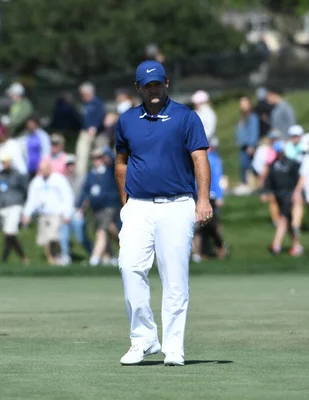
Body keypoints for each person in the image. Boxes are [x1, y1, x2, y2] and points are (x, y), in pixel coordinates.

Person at [115, 60, 212, 366]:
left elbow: (199, 158)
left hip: (177, 204)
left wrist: (203, 200)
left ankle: (174, 347)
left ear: (166, 82)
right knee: (129, 268)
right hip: (138, 207)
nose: (153, 89)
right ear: (138, 88)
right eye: (147, 85)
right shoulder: (127, 120)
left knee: (174, 279)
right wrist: (125, 202)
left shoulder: (186, 117)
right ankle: (144, 340)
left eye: (158, 83)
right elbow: (121, 163)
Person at [23, 160, 74, 265]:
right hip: (42, 214)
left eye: (43, 169)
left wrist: (67, 213)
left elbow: (67, 195)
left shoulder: (58, 179)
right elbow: (31, 199)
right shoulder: (37, 181)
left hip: (56, 213)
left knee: (53, 236)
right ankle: (52, 260)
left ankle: (61, 255)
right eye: (40, 169)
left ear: (49, 168)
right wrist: (26, 213)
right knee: (45, 240)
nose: (41, 171)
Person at [77, 148, 121, 266]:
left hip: (109, 205)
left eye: (99, 158)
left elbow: (114, 161)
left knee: (101, 231)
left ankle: (94, 259)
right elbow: (85, 191)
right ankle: (112, 256)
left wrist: (107, 154)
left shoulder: (109, 171)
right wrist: (79, 206)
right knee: (108, 230)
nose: (97, 160)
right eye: (95, 158)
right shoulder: (91, 174)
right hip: (96, 207)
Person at [263, 140, 303, 256]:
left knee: (283, 218)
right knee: (288, 222)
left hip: (289, 194)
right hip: (279, 195)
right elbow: (269, 180)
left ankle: (276, 244)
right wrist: (266, 192)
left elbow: (298, 178)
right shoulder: (274, 164)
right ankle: (296, 245)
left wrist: (297, 193)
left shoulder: (291, 163)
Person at [0, 152, 30, 264]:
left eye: (6, 162)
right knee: (9, 234)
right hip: (3, 206)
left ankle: (4, 259)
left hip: (15, 205)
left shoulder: (17, 175)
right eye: (3, 162)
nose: (4, 164)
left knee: (9, 231)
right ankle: (23, 258)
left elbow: (25, 190)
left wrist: (26, 208)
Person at [75, 82, 106, 177]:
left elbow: (101, 117)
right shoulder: (84, 103)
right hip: (85, 132)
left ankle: (102, 178)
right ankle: (81, 178)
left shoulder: (98, 102)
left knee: (100, 156)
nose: (81, 95)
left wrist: (95, 127)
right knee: (81, 155)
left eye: (83, 93)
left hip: (98, 134)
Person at [235, 95, 260, 192]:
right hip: (242, 145)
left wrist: (252, 145)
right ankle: (245, 183)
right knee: (243, 165)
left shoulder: (252, 117)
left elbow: (254, 131)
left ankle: (254, 184)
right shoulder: (242, 116)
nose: (242, 105)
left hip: (248, 146)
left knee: (250, 166)